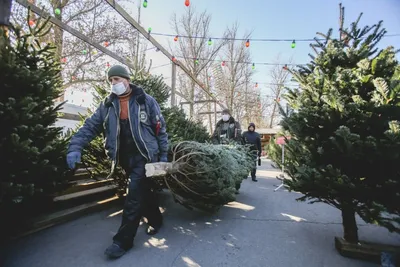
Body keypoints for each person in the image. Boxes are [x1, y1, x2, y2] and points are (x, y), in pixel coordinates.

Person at [66, 65, 168, 259]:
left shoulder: (145, 101)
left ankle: (122, 241)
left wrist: (163, 155)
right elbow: (89, 127)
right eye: (111, 81)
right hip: (124, 158)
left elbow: (159, 128)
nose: (114, 84)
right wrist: (75, 147)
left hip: (145, 156)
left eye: (118, 79)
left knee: (134, 196)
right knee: (143, 192)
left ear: (127, 80)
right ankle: (156, 219)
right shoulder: (107, 105)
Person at [211, 109, 242, 193]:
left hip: (231, 148)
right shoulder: (219, 125)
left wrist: (233, 144)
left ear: (229, 115)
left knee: (233, 168)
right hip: (220, 149)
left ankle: (235, 186)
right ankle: (223, 186)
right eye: (223, 114)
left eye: (226, 113)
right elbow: (214, 136)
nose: (224, 115)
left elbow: (238, 136)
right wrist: (216, 145)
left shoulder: (235, 124)